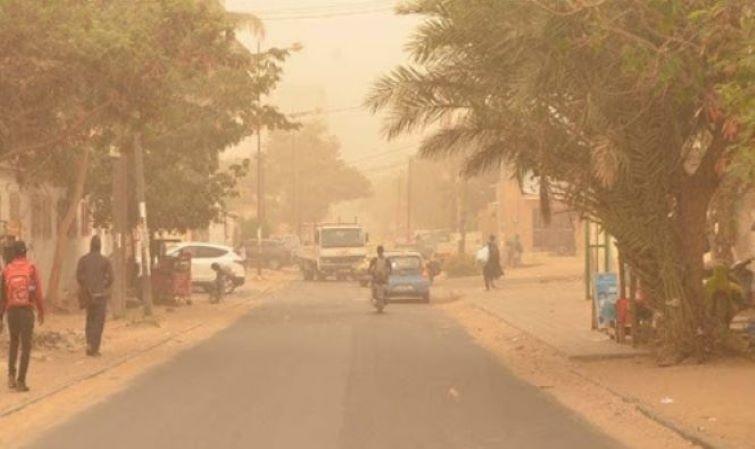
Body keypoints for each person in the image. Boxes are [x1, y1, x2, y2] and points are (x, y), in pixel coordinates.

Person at [0, 241, 44, 392]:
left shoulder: (6, 270)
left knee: (14, 342)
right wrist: (41, 311)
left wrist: (1, 316)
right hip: (26, 311)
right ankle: (21, 381)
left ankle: (11, 376)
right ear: (25, 253)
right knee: (26, 346)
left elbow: (3, 296)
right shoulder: (31, 268)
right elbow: (36, 292)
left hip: (11, 311)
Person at [76, 235, 114, 357]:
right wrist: (104, 286)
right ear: (100, 246)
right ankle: (95, 348)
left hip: (88, 296)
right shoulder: (105, 261)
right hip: (101, 296)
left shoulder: (83, 260)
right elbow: (111, 278)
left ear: (90, 246)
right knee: (99, 322)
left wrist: (85, 287)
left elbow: (79, 277)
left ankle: (89, 344)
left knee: (90, 320)